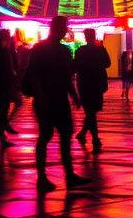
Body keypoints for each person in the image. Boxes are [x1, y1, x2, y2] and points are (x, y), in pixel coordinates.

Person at [22, 16, 90, 193]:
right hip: (50, 98)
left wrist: (73, 94)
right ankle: (48, 177)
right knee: (49, 136)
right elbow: (36, 74)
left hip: (56, 97)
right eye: (63, 27)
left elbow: (65, 76)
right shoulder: (51, 50)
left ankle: (61, 175)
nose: (65, 30)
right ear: (57, 28)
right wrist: (42, 94)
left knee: (59, 135)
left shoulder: (55, 49)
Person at [73, 28, 111, 152]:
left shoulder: (81, 51)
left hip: (84, 84)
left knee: (90, 111)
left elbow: (75, 66)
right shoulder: (100, 50)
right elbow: (107, 63)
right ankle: (93, 137)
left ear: (85, 37)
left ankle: (86, 134)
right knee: (92, 111)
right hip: (97, 83)